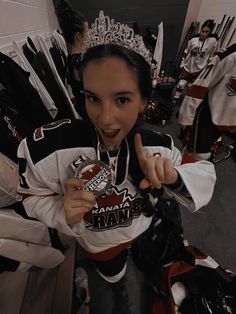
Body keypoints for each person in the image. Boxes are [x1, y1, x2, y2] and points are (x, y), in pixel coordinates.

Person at [17, 9, 216, 301]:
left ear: (144, 102)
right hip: (100, 245)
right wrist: (61, 210)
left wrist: (173, 176)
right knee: (114, 277)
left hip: (143, 227)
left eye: (122, 99)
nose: (105, 119)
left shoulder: (158, 145)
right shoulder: (53, 147)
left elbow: (204, 173)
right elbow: (29, 196)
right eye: (93, 98)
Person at [179, 42, 236, 161]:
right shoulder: (230, 56)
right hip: (209, 115)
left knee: (210, 153)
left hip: (229, 120)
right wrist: (186, 120)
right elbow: (200, 86)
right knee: (198, 156)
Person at [55, 0, 89, 118]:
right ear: (78, 35)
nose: (88, 36)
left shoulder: (73, 58)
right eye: (87, 32)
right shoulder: (78, 63)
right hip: (88, 112)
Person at [177, 19, 219, 91]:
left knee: (191, 88)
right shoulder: (193, 39)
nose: (204, 34)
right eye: (202, 31)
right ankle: (175, 100)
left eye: (206, 32)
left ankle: (185, 101)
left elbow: (214, 53)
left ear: (210, 32)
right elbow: (186, 51)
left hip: (199, 69)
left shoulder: (213, 41)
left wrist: (210, 63)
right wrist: (182, 63)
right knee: (180, 85)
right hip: (187, 67)